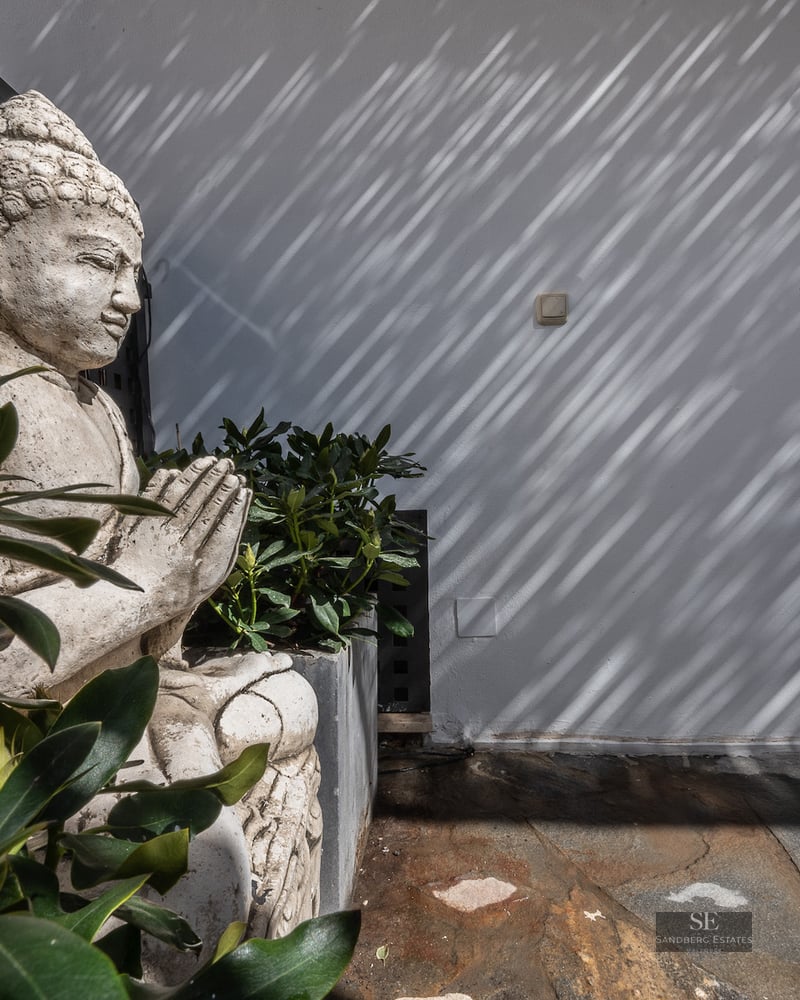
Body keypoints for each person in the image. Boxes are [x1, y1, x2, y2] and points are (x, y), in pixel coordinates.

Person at [0, 92, 320, 971]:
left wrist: (185, 583)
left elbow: (134, 589)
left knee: (286, 701)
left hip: (121, 695)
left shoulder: (96, 408)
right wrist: (150, 578)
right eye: (98, 263)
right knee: (202, 850)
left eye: (132, 274)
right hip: (33, 758)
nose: (127, 299)